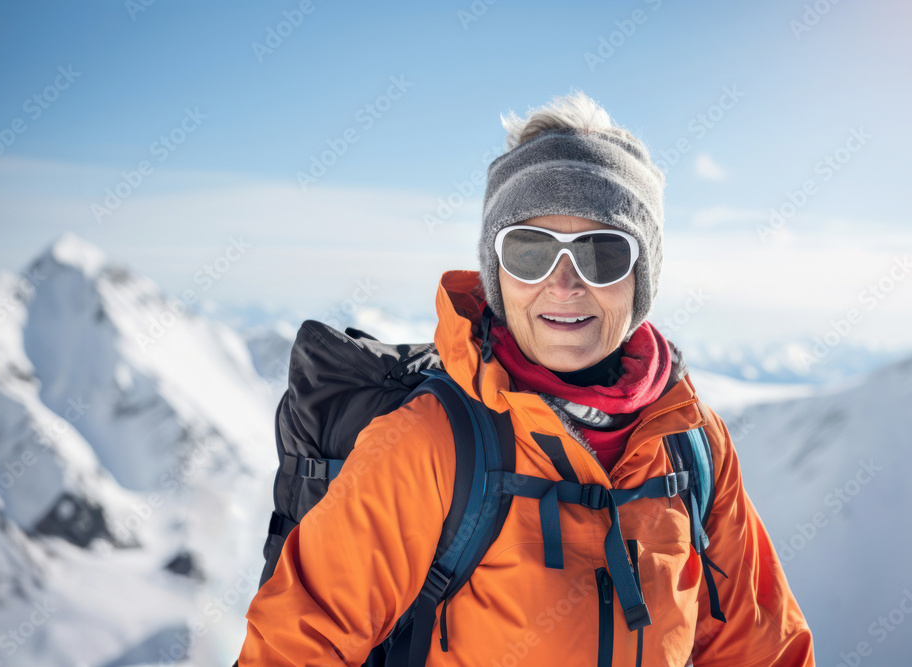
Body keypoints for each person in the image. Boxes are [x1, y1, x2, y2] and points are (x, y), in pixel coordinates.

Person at [237, 90, 815, 665]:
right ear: (496, 272)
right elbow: (295, 647)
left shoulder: (691, 444)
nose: (564, 285)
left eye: (601, 253)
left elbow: (763, 651)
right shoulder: (432, 441)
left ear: (643, 277)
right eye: (531, 252)